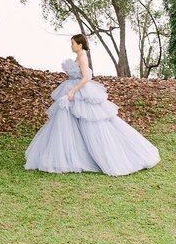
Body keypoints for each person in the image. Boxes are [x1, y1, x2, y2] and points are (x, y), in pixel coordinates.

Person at [25, 33, 160, 176]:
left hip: (80, 91)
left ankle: (101, 154)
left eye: (73, 43)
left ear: (80, 45)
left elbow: (86, 77)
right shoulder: (78, 57)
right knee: (66, 122)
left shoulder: (83, 57)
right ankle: (70, 154)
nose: (71, 46)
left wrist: (73, 91)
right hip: (72, 89)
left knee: (90, 123)